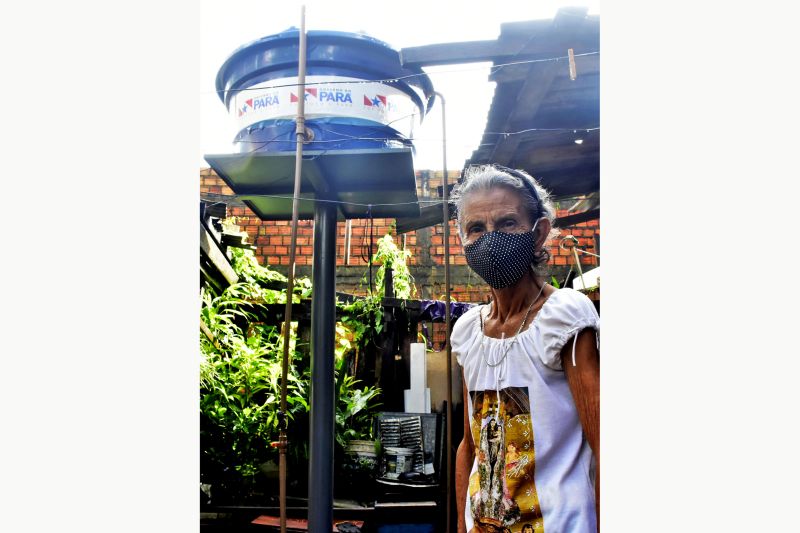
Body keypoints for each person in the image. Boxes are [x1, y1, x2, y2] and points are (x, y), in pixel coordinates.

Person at [451, 164, 600, 533]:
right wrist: (461, 523)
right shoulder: (468, 331)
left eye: (506, 223)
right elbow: (470, 447)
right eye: (476, 228)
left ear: (539, 234)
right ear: (462, 241)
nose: (490, 238)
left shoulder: (562, 317)